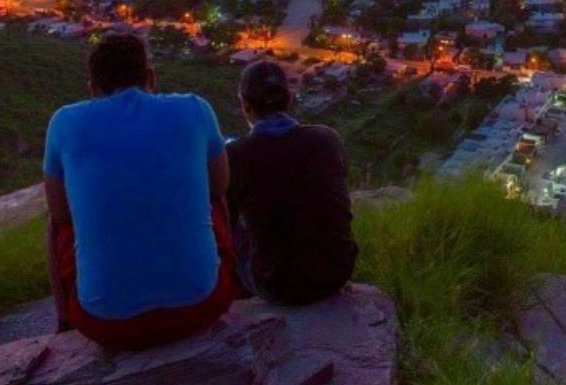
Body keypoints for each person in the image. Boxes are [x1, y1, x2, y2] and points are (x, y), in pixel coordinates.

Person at [43, 32, 237, 351]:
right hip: (203, 306)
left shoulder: (64, 123)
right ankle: (234, 284)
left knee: (56, 225)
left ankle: (64, 322)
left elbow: (61, 213)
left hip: (105, 324)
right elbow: (220, 187)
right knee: (214, 199)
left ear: (93, 89)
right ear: (151, 77)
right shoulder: (196, 109)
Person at [227, 60, 358, 305]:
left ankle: (238, 301)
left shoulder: (236, 155)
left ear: (245, 104)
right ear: (289, 98)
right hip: (337, 272)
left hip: (277, 285)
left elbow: (227, 219)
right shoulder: (327, 139)